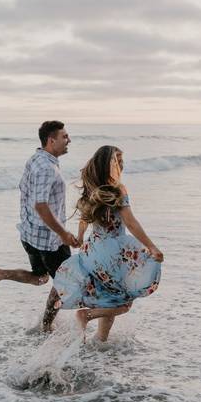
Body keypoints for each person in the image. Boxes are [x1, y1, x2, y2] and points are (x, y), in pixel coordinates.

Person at [52, 145, 163, 342]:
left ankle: (101, 340)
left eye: (121, 159)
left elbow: (84, 219)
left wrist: (79, 238)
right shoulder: (118, 189)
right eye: (116, 160)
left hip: (93, 250)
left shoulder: (92, 190)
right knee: (123, 302)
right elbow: (130, 221)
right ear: (106, 164)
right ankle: (86, 315)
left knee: (110, 296)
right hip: (113, 254)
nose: (121, 163)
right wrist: (151, 246)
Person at [0, 121, 80, 332]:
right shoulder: (46, 167)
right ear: (51, 140)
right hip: (48, 239)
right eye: (64, 137)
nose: (69, 140)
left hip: (30, 234)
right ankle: (47, 325)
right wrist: (63, 233)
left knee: (40, 277)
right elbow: (41, 205)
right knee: (66, 282)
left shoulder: (37, 159)